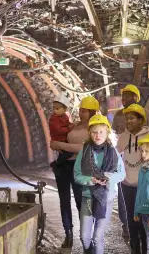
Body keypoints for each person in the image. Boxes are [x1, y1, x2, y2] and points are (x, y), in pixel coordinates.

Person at [50, 95, 99, 248]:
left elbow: (82, 148)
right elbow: (58, 139)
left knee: (81, 202)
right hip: (64, 165)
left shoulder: (94, 128)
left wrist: (59, 145)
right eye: (80, 110)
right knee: (64, 201)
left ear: (92, 112)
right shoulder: (74, 125)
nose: (81, 113)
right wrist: (57, 144)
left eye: (84, 111)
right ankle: (68, 234)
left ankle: (86, 237)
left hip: (80, 168)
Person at [74, 114, 125, 254]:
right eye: (94, 132)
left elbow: (122, 174)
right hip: (88, 197)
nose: (98, 135)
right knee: (85, 237)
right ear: (90, 133)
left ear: (107, 132)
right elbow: (77, 175)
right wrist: (91, 180)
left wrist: (108, 177)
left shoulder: (113, 152)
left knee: (98, 237)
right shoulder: (84, 152)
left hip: (106, 197)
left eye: (101, 131)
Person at [112, 84, 149, 239]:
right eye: (123, 96)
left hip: (141, 166)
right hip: (125, 165)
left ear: (136, 97)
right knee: (124, 201)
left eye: (128, 96)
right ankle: (126, 226)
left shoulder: (146, 114)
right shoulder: (118, 116)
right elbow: (116, 137)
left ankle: (145, 234)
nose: (124, 99)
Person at [118, 103, 149, 254]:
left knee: (144, 221)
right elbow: (115, 156)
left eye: (132, 118)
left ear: (140, 120)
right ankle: (134, 249)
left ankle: (145, 248)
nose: (128, 121)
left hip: (143, 185)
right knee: (131, 219)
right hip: (126, 185)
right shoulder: (122, 138)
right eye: (127, 119)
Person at [50, 94, 74, 167]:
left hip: (63, 139)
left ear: (64, 109)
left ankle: (61, 165)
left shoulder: (64, 116)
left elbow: (66, 123)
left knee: (64, 153)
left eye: (57, 108)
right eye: (54, 108)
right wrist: (69, 128)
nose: (54, 110)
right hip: (58, 139)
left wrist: (71, 124)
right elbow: (58, 130)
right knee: (67, 153)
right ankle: (57, 164)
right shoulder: (54, 119)